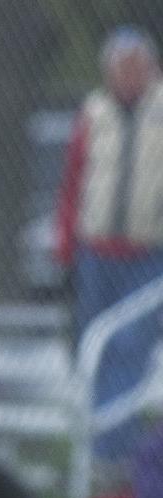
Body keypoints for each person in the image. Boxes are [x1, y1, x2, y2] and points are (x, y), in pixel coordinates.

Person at [55, 26, 163, 466]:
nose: (129, 76)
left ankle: (114, 454)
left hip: (147, 253)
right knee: (93, 349)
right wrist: (66, 246)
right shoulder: (94, 112)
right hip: (97, 252)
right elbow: (73, 182)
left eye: (137, 65)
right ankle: (101, 450)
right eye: (120, 67)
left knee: (128, 349)